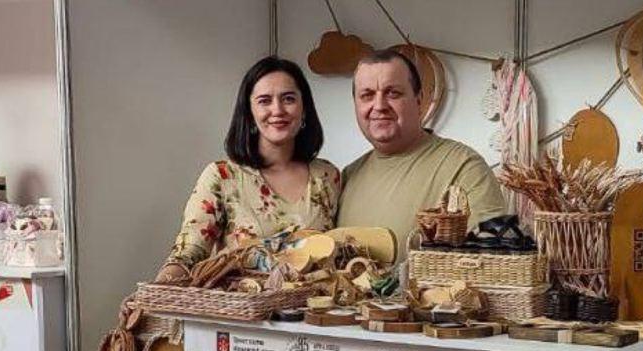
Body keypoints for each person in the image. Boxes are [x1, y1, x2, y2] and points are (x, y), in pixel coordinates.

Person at [156, 57, 341, 283]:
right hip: (242, 304)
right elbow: (189, 253)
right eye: (264, 101)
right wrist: (152, 293)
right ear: (249, 112)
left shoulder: (327, 176)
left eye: (289, 99)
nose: (277, 109)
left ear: (304, 108)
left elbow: (342, 252)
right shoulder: (222, 177)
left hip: (316, 304)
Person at [336, 49, 506, 254]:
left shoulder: (464, 166)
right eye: (367, 95)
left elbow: (495, 256)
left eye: (393, 93)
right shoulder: (348, 176)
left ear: (419, 101)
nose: (379, 105)